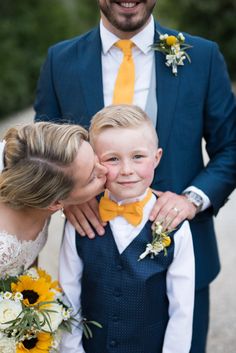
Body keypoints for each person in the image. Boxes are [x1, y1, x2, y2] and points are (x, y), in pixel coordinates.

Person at [34, 1, 236, 351]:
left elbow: (231, 148)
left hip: (186, 258)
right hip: (91, 260)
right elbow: (42, 155)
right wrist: (69, 197)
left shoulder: (201, 56)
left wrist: (191, 200)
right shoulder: (60, 60)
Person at [59, 104, 195, 353]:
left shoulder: (175, 226)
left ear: (157, 158)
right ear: (96, 165)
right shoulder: (79, 221)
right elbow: (68, 297)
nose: (127, 170)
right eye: (112, 159)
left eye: (138, 157)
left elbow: (182, 311)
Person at [0, 121, 106, 278]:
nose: (104, 169)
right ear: (55, 203)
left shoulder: (36, 196)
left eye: (95, 159)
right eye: (91, 179)